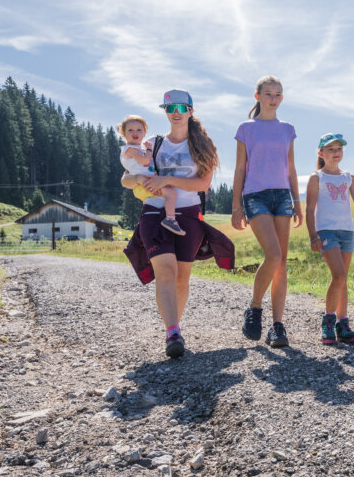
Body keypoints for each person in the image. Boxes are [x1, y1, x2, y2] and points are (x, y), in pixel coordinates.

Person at [120, 89, 221, 358]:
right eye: (169, 108)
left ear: (190, 110)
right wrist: (138, 182)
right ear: (165, 112)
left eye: (180, 107)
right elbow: (126, 178)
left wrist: (166, 180)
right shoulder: (152, 143)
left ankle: (174, 324)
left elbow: (203, 184)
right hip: (154, 213)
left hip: (189, 215)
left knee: (182, 277)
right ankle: (173, 331)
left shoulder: (204, 146)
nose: (175, 113)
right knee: (165, 271)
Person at [232, 76, 302, 347]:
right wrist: (236, 205)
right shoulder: (246, 128)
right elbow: (240, 169)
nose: (273, 98)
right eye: (268, 93)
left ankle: (277, 326)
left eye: (278, 94)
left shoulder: (287, 129)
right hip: (255, 196)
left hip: (282, 195)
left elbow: (291, 169)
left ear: (282, 98)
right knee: (272, 255)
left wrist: (297, 201)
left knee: (281, 262)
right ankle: (255, 307)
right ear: (257, 96)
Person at [306, 133, 354, 344]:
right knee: (338, 276)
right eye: (330, 149)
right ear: (321, 153)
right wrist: (313, 237)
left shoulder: (349, 178)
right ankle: (327, 323)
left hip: (347, 232)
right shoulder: (316, 178)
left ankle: (343, 325)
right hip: (326, 232)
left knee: (343, 280)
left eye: (339, 149)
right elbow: (310, 208)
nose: (335, 153)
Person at [118, 115, 184, 236]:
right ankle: (170, 219)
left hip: (143, 184)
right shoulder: (133, 149)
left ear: (144, 132)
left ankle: (163, 220)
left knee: (167, 192)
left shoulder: (136, 148)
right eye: (130, 130)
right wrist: (149, 150)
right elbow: (145, 161)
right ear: (123, 133)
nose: (135, 133)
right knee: (172, 193)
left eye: (139, 130)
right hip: (144, 184)